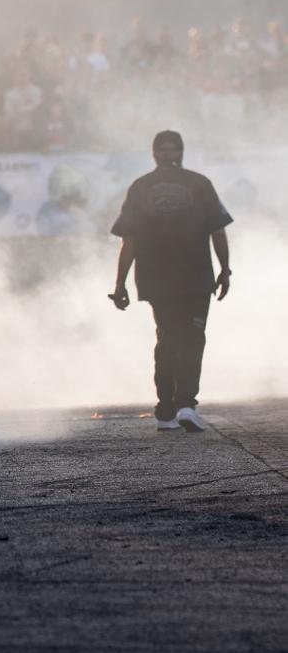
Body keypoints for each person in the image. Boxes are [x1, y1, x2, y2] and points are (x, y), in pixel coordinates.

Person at [108, 131, 232, 432]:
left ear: (155, 155)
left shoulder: (140, 187)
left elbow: (129, 241)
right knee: (191, 338)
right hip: (194, 277)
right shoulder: (199, 183)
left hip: (157, 278)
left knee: (167, 337)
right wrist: (225, 270)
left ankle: (166, 409)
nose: (168, 154)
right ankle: (186, 404)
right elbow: (218, 231)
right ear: (178, 153)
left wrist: (121, 284)